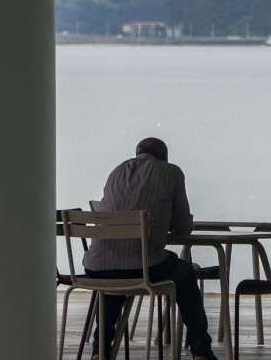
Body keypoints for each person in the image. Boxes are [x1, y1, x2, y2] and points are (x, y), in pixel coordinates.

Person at [83, 137, 217, 360]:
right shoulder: (170, 172)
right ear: (164, 157)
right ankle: (201, 352)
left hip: (96, 268)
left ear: (136, 155)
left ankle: (100, 351)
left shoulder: (116, 172)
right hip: (142, 267)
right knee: (185, 272)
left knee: (113, 278)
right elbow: (183, 227)